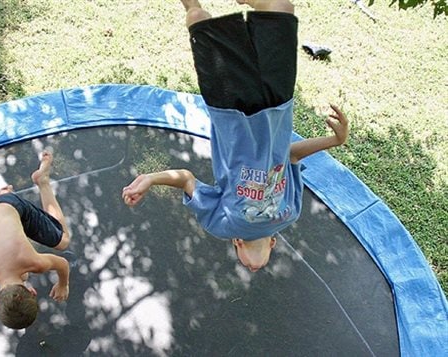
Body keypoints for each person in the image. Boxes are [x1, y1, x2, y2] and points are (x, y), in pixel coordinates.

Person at [122, 0, 349, 272]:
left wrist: (150, 178)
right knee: (282, 9)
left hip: (230, 110)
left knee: (199, 19)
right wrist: (335, 141)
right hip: (278, 106)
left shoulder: (224, 226)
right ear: (273, 243)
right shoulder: (290, 212)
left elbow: (186, 180)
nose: (253, 267)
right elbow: (290, 155)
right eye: (255, 267)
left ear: (237, 243)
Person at [0, 151, 71, 329]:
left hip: (10, 204)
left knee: (63, 241)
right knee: (22, 272)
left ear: (32, 291)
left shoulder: (35, 263)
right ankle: (2, 196)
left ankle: (42, 181)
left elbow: (63, 264)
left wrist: (63, 284)